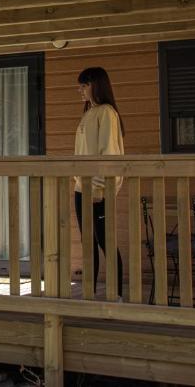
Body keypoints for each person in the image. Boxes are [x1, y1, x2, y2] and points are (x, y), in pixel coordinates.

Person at [73, 66, 125, 297]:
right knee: (88, 244)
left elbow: (109, 154)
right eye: (80, 85)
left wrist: (99, 188)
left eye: (85, 85)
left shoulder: (106, 112)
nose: (81, 90)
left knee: (105, 241)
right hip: (80, 188)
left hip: (97, 191)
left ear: (98, 86)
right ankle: (89, 294)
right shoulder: (88, 113)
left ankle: (115, 294)